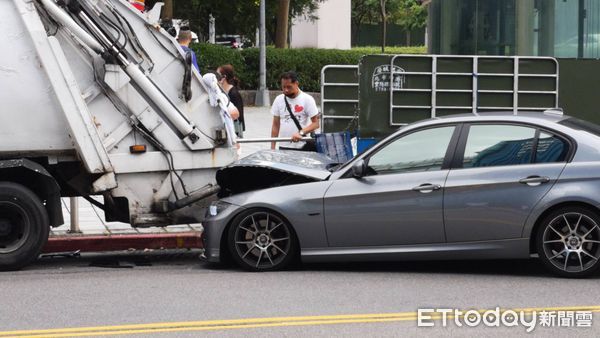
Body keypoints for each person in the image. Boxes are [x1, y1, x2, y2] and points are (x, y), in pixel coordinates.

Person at [270, 72, 319, 150]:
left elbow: (316, 123)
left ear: (296, 84)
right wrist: (272, 147)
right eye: (283, 87)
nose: (286, 90)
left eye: (289, 87)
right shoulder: (279, 100)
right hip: (284, 145)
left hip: (302, 145)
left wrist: (301, 133)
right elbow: (275, 125)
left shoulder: (307, 99)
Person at [217, 64, 244, 138]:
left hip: (234, 129)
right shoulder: (221, 91)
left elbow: (238, 115)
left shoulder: (234, 93)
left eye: (218, 75)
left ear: (223, 77)